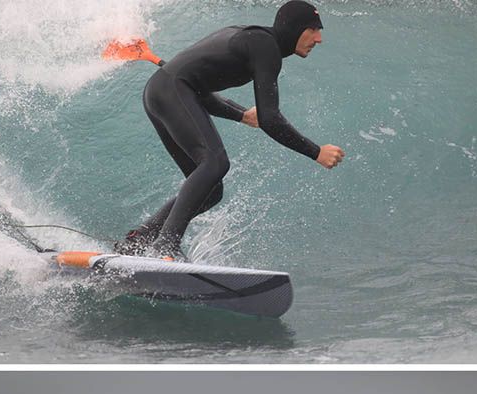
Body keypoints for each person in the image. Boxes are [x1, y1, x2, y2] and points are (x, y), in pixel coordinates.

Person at [117, 1, 345, 261]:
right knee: (215, 163)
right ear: (294, 29)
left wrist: (240, 115)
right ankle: (165, 246)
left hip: (161, 92)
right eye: (313, 30)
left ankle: (139, 240)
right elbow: (270, 119)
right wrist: (316, 152)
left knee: (211, 190)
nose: (319, 38)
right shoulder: (265, 46)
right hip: (170, 90)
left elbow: (195, 86)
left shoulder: (252, 37)